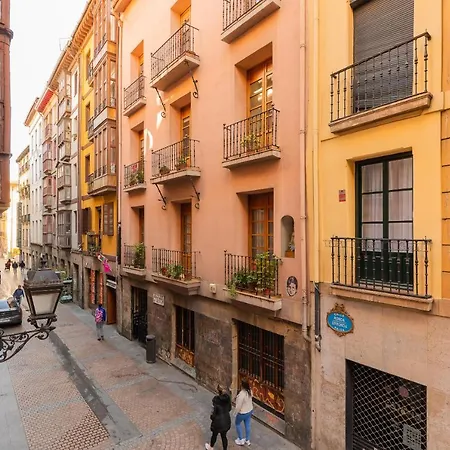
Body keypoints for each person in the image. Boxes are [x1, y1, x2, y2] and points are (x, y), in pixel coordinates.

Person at [205, 385, 231, 450]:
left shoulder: (216, 401)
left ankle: (211, 447)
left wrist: (212, 417)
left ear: (218, 391)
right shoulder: (228, 399)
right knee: (224, 436)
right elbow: (229, 409)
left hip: (217, 423)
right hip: (226, 421)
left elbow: (213, 414)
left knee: (214, 435)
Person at [234, 379, 253, 446]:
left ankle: (240, 439)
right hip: (249, 410)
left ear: (242, 385)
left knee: (237, 423)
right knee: (247, 424)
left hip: (242, 412)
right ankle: (247, 440)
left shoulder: (241, 395)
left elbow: (238, 406)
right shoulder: (250, 391)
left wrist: (235, 413)